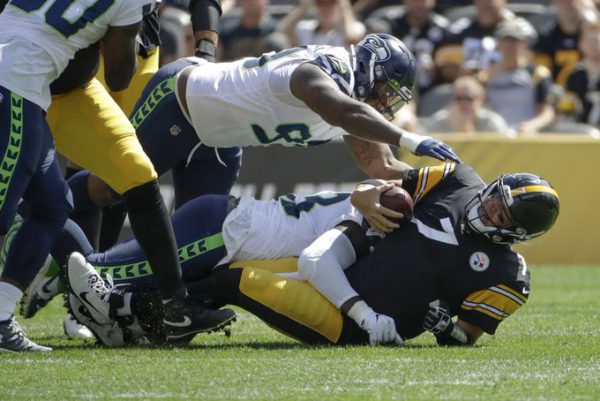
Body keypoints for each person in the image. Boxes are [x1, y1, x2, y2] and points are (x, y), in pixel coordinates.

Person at [63, 160, 560, 347]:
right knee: (228, 269)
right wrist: (368, 196)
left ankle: (123, 309)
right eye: (495, 197)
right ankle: (127, 314)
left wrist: (445, 328)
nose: (488, 207)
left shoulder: (507, 273)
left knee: (236, 281)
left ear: (514, 233)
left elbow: (467, 335)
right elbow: (381, 188)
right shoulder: (457, 179)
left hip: (350, 325)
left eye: (500, 214)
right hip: (350, 272)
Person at [76, 34, 460, 236]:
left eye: (392, 99)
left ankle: (132, 300)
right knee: (113, 188)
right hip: (183, 100)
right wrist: (410, 139)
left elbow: (382, 166)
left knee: (194, 234)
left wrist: (451, 184)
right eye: (384, 91)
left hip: (221, 139)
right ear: (366, 67)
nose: (384, 103)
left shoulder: (356, 105)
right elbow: (342, 111)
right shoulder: (323, 72)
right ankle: (51, 206)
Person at [22, 0, 237, 346]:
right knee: (70, 177)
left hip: (130, 45)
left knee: (131, 171)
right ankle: (79, 288)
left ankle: (116, 293)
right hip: (60, 56)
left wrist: (205, 54)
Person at [0, 0, 160, 352]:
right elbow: (118, 78)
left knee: (53, 206)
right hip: (15, 83)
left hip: (24, 82)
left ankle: (0, 316)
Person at [486, 18, 556, 134]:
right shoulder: (487, 75)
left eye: (514, 40)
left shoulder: (538, 74)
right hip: (495, 135)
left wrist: (531, 125)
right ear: (499, 44)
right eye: (505, 40)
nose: (509, 45)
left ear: (524, 44)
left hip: (526, 135)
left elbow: (547, 112)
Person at [423, 75, 511, 135]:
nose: (463, 103)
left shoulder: (491, 122)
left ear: (481, 101)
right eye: (459, 98)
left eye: (469, 99)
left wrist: (467, 131)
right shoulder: (440, 121)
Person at [559, 21, 600, 126]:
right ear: (581, 44)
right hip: (580, 130)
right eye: (590, 41)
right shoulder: (573, 73)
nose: (594, 46)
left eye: (597, 41)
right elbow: (565, 108)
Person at [277, 0, 366, 48]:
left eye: (330, 3)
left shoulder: (351, 27)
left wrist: (344, 5)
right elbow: (282, 30)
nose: (325, 9)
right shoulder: (307, 28)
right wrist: (305, 6)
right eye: (320, 3)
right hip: (309, 74)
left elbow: (352, 38)